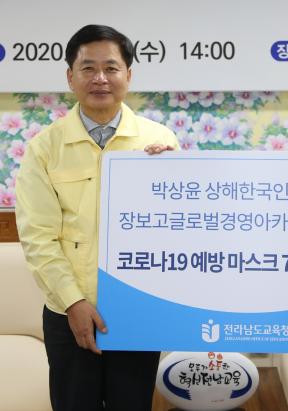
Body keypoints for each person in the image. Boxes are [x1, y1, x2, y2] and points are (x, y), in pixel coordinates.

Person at [15, 25, 179, 411]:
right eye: (88, 68)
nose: (100, 78)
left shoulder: (160, 142)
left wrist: (172, 174)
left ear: (129, 75)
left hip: (137, 307)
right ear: (70, 77)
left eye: (111, 68)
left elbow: (179, 230)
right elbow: (38, 237)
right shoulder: (44, 148)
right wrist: (74, 302)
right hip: (68, 310)